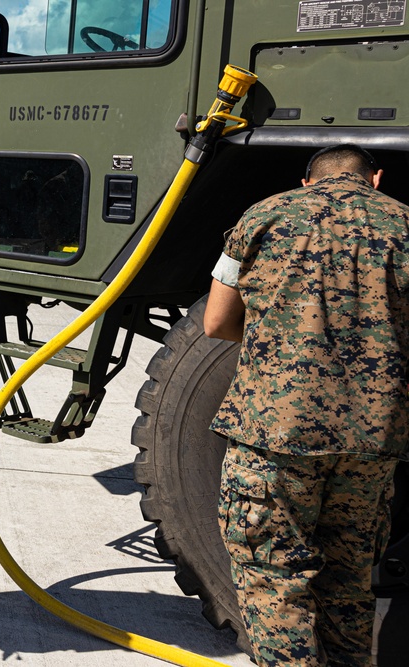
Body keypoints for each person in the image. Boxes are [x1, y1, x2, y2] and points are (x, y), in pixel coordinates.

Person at [204, 144, 409, 666]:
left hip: (276, 433)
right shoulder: (404, 223)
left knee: (274, 579)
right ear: (376, 178)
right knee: (350, 582)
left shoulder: (262, 216)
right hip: (373, 440)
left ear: (306, 180)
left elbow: (216, 323)